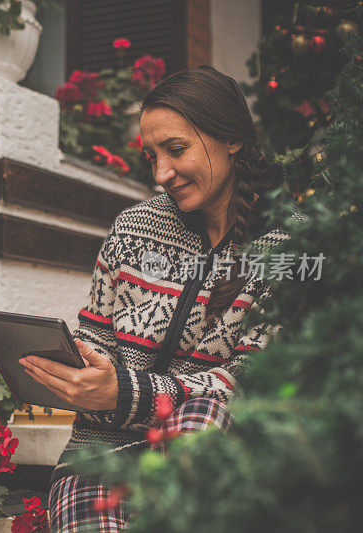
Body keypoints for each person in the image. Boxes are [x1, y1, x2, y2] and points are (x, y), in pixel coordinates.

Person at [18, 65, 292, 532]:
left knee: (205, 416)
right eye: (151, 156)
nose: (161, 173)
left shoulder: (287, 245)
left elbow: (252, 383)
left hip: (216, 445)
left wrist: (125, 393)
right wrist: (78, 377)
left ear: (233, 139)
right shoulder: (133, 229)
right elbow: (96, 343)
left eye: (176, 150)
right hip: (101, 450)